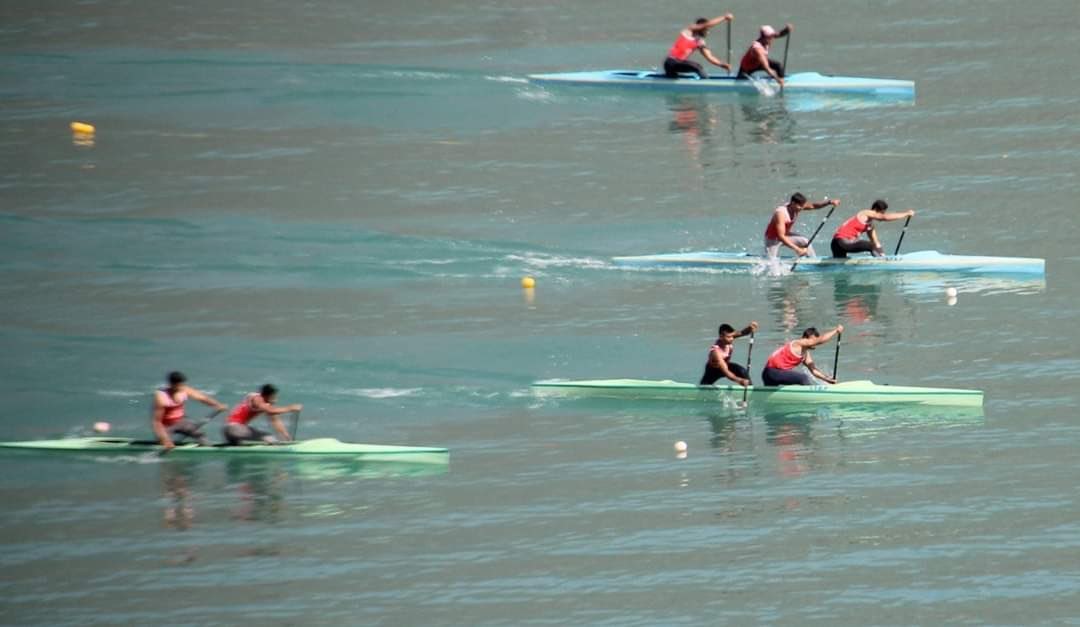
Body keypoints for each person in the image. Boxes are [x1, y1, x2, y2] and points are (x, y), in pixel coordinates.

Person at [152, 371, 227, 450]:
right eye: (179, 385)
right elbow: (157, 422)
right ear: (171, 384)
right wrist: (165, 440)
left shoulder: (184, 389)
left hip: (181, 421)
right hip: (166, 425)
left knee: (200, 434)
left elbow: (202, 398)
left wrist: (218, 405)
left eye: (182, 384)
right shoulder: (161, 397)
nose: (181, 387)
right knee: (162, 442)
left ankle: (206, 449)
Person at [761, 325, 843, 386]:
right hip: (772, 372)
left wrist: (828, 380)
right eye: (813, 340)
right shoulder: (798, 343)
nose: (814, 343)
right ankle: (811, 396)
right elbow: (820, 341)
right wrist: (836, 330)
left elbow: (814, 371)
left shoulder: (805, 355)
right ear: (806, 338)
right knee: (803, 378)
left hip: (772, 375)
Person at [764, 192, 840, 258]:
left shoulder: (797, 207)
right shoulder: (780, 213)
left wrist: (829, 202)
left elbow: (813, 206)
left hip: (786, 235)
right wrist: (797, 249)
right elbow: (781, 236)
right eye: (800, 206)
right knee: (772, 263)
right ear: (793, 203)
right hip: (773, 239)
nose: (801, 208)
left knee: (805, 242)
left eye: (803, 206)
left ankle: (812, 261)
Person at [830, 200, 915, 258]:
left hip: (836, 244)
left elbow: (876, 242)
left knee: (840, 267)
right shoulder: (865, 213)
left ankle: (880, 259)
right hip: (843, 241)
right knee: (870, 246)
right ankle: (880, 263)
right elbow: (884, 218)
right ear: (875, 209)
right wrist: (906, 214)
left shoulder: (869, 225)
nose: (882, 214)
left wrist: (883, 255)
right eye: (882, 212)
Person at [223, 384, 303, 445]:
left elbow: (275, 420)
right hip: (235, 428)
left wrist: (286, 435)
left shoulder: (263, 402)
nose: (275, 398)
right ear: (269, 395)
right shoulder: (257, 399)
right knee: (267, 436)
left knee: (238, 445)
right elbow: (271, 411)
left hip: (228, 430)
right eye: (274, 396)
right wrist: (290, 408)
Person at [663, 13, 734, 79]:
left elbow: (710, 57)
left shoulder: (700, 42)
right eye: (707, 30)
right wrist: (724, 17)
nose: (708, 32)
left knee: (694, 68)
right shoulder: (689, 31)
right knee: (697, 67)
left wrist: (722, 65)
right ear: (701, 28)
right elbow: (707, 25)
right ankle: (707, 83)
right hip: (671, 62)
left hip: (678, 65)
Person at [700, 321, 759, 386]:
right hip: (713, 371)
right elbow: (726, 372)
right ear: (721, 337)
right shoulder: (716, 352)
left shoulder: (728, 339)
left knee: (742, 371)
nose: (731, 339)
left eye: (732, 336)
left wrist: (750, 328)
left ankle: (751, 390)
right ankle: (702, 390)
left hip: (726, 365)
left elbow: (742, 332)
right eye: (729, 337)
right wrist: (740, 380)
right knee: (704, 386)